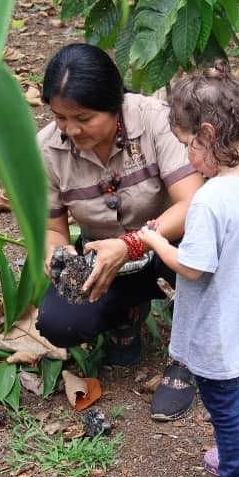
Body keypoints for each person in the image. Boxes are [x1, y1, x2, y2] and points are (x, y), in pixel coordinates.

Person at [138, 61, 239, 477]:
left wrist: (157, 241)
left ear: (207, 133)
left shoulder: (212, 199)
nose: (185, 159)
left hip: (215, 324)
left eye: (186, 146)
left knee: (223, 408)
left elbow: (194, 268)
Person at [35, 43, 204, 421]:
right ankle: (126, 316)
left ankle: (187, 357)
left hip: (171, 246)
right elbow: (52, 227)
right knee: (59, 322)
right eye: (60, 117)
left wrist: (129, 245)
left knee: (202, 262)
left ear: (115, 106)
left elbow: (192, 205)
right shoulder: (46, 149)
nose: (70, 129)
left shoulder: (156, 120)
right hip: (103, 258)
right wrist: (56, 254)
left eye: (83, 117)